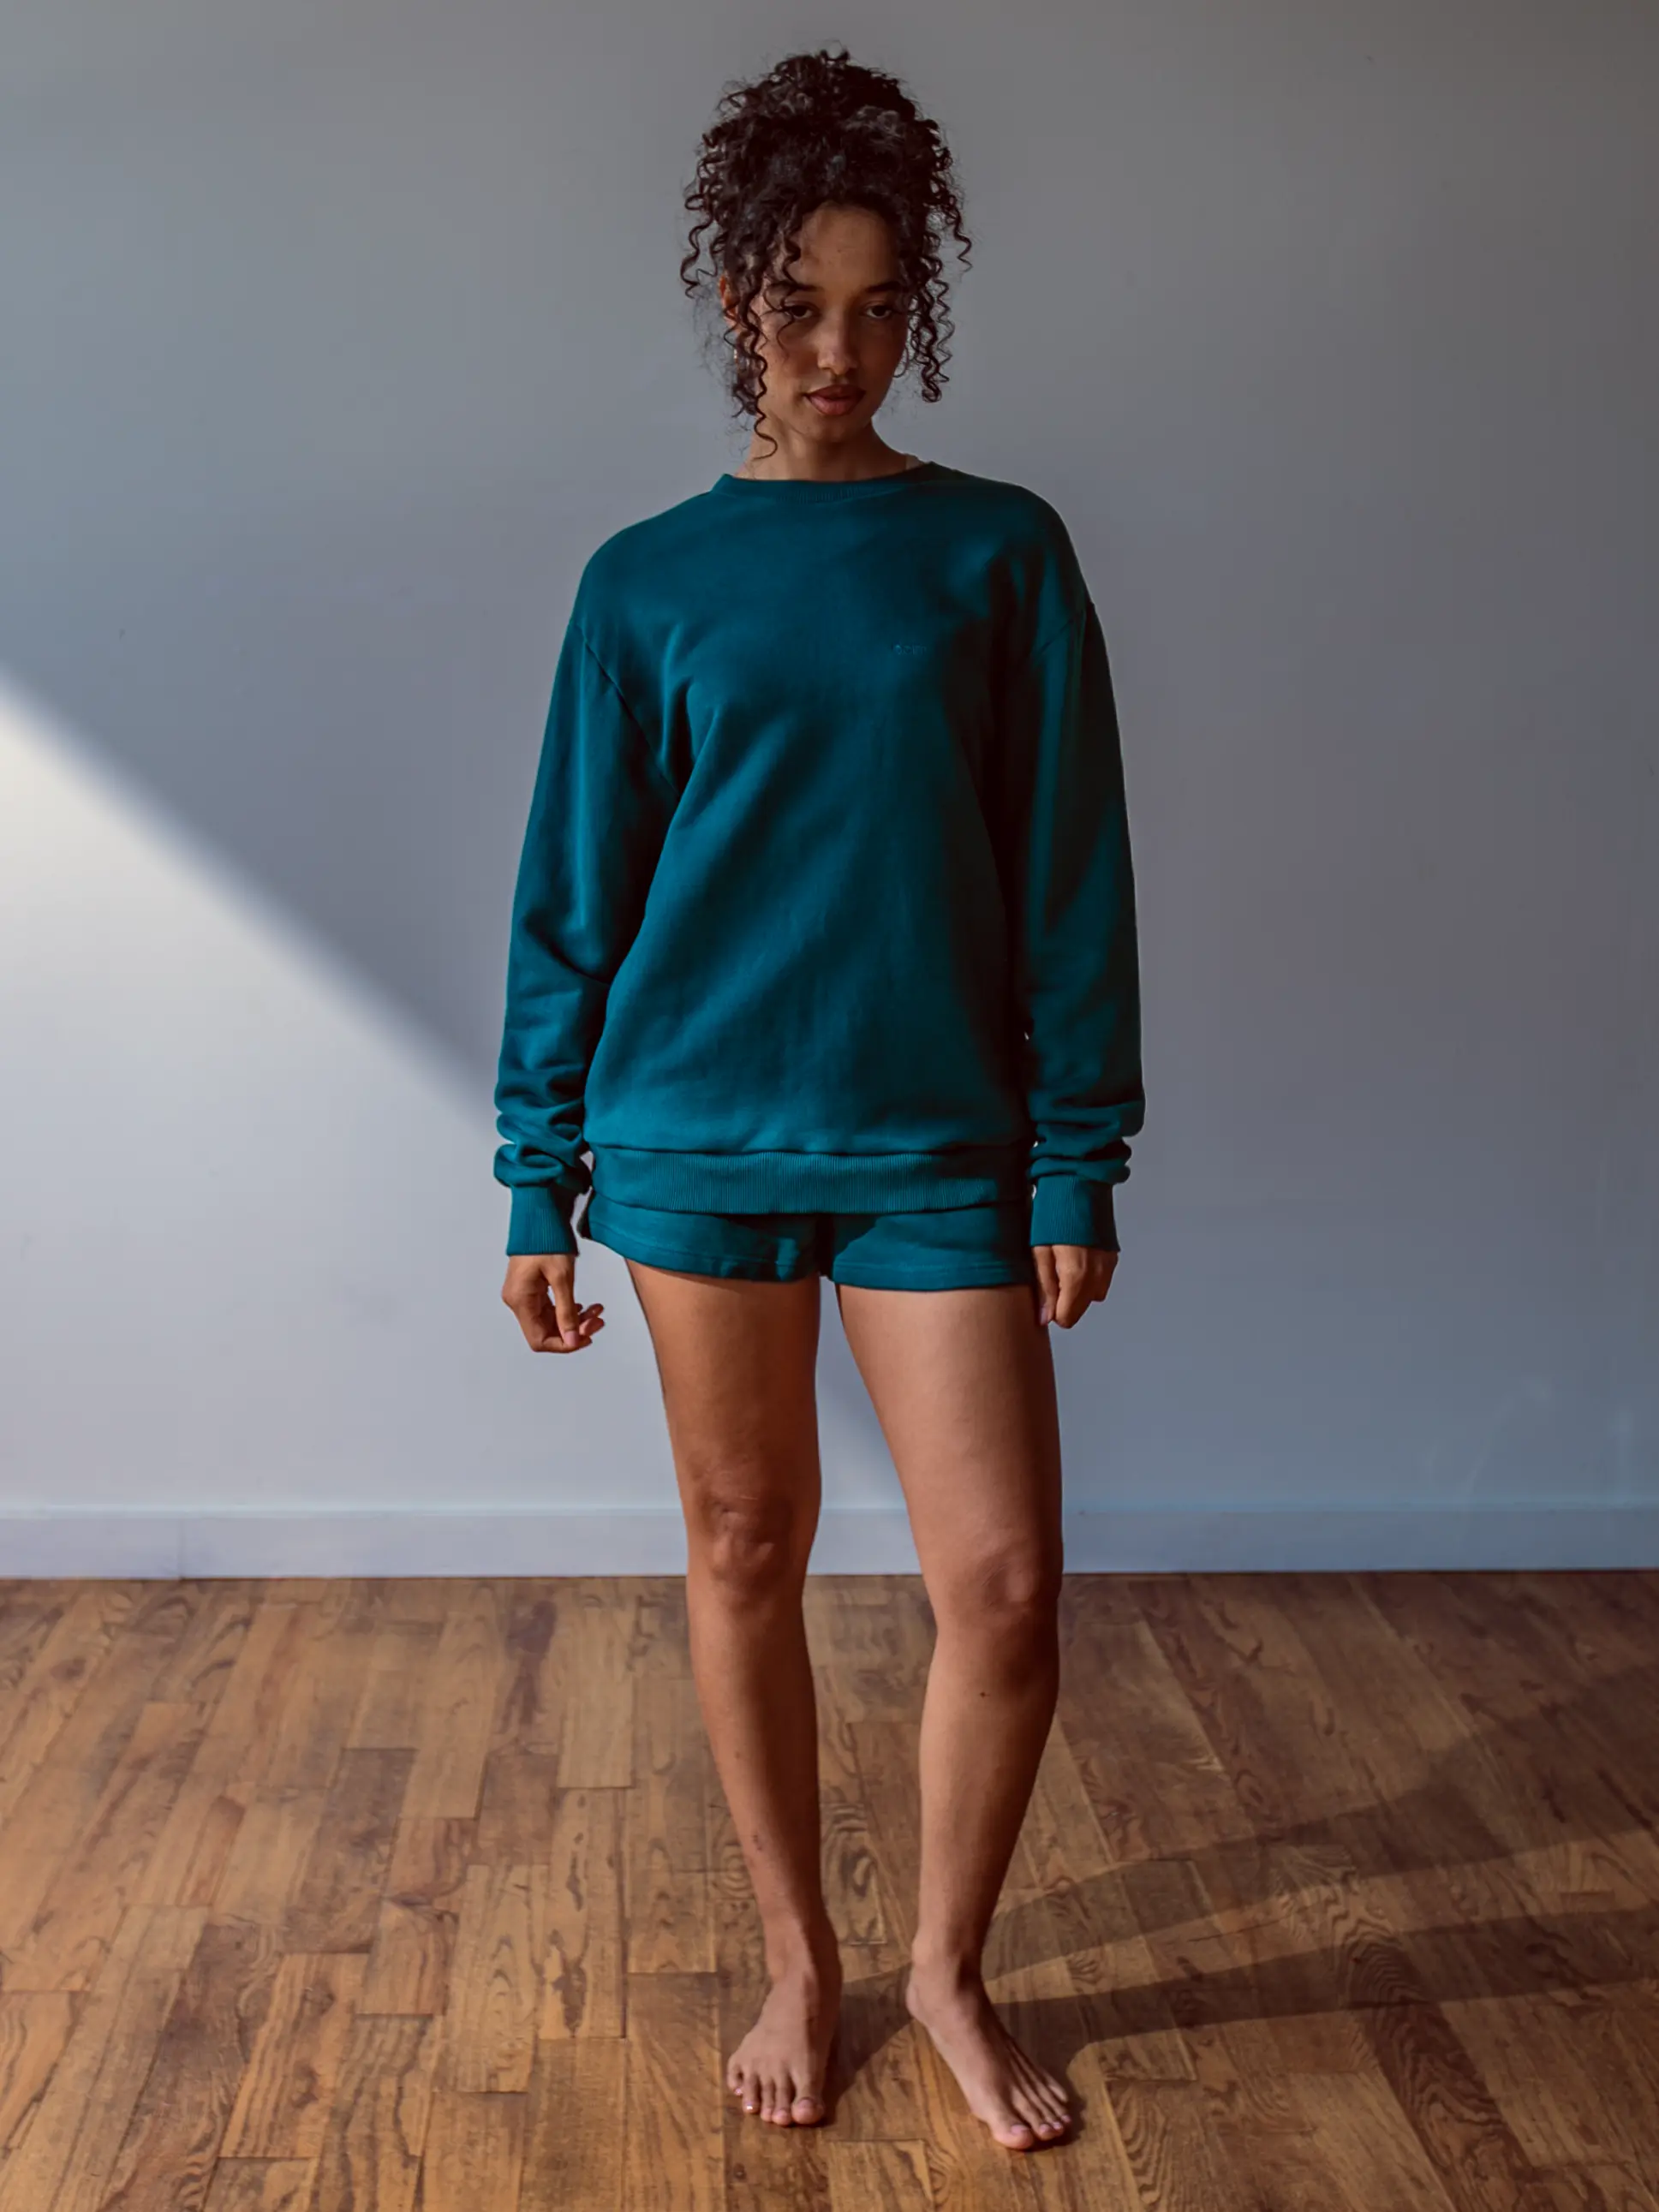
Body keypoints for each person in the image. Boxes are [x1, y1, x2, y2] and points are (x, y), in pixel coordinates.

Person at [493, 45, 1143, 2156]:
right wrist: (535, 1171)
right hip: (687, 1136)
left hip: (939, 1140)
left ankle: (947, 1964)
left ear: (916, 307)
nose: (839, 351)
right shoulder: (644, 583)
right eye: (797, 308)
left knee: (1006, 1585)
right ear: (732, 306)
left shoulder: (998, 557)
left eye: (877, 307)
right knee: (744, 1536)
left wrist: (1074, 1147)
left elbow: (1068, 875)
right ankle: (802, 1953)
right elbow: (573, 897)